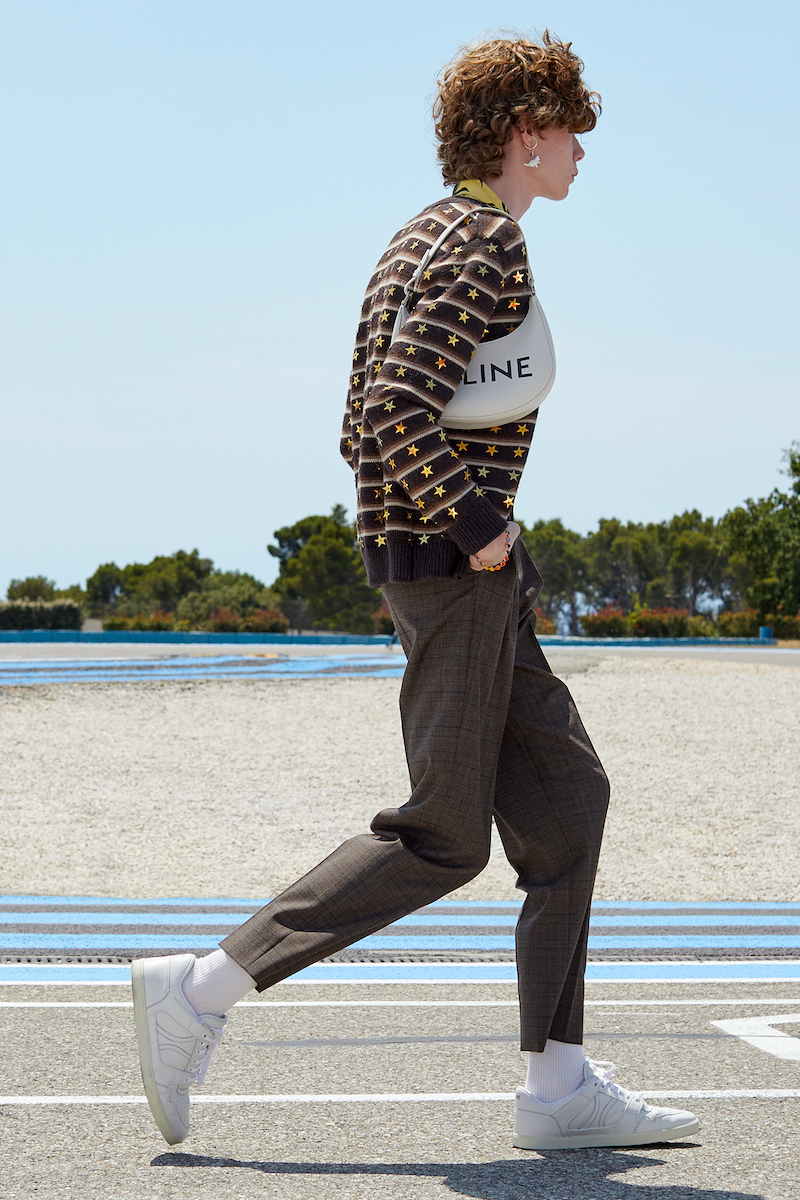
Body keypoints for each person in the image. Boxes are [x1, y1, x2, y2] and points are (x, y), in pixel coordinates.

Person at [132, 33, 700, 1151]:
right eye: (568, 129)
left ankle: (557, 1087)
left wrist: (478, 552)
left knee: (566, 803)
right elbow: (395, 409)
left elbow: (355, 423)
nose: (581, 149)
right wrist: (479, 531)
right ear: (524, 133)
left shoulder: (415, 236)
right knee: (443, 836)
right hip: (454, 573)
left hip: (451, 576)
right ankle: (200, 989)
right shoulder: (486, 241)